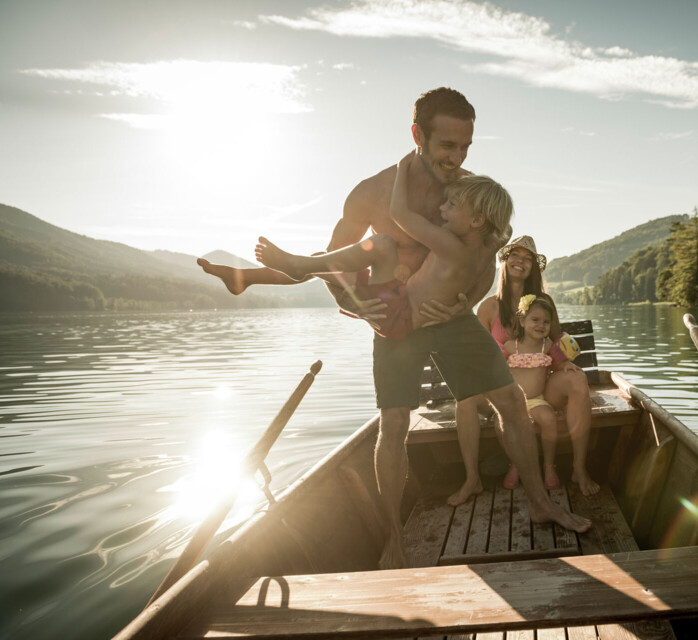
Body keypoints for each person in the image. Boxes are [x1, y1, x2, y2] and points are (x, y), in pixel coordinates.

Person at [199, 88, 590, 569]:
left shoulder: (467, 191)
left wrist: (465, 301)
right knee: (395, 423)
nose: (457, 157)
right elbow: (330, 263)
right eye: (447, 145)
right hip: (397, 316)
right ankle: (393, 537)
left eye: (465, 146)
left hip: (450, 316)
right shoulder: (371, 194)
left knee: (510, 401)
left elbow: (486, 255)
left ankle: (540, 503)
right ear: (416, 135)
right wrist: (366, 309)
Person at [253, 151, 511, 342]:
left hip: (397, 317)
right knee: (337, 262)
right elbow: (504, 233)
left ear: (477, 220)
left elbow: (399, 213)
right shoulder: (482, 246)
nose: (442, 209)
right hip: (399, 308)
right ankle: (305, 267)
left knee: (383, 244)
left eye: (452, 206)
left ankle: (302, 266)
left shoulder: (449, 246)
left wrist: (401, 169)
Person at [447, 235, 598, 507]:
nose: (521, 261)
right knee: (464, 397)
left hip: (538, 388)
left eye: (528, 259)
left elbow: (555, 342)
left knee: (578, 381)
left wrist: (564, 363)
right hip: (498, 391)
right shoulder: (489, 306)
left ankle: (579, 469)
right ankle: (472, 479)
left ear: (534, 268)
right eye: (515, 256)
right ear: (504, 261)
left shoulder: (543, 302)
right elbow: (479, 353)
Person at [502, 295, 562, 490]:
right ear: (522, 321)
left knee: (549, 419)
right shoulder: (512, 346)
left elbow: (561, 363)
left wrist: (568, 365)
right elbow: (497, 371)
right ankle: (516, 465)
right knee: (501, 424)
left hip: (537, 400)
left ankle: (549, 467)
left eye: (545, 322)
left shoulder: (548, 346)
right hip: (513, 401)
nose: (541, 325)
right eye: (535, 320)